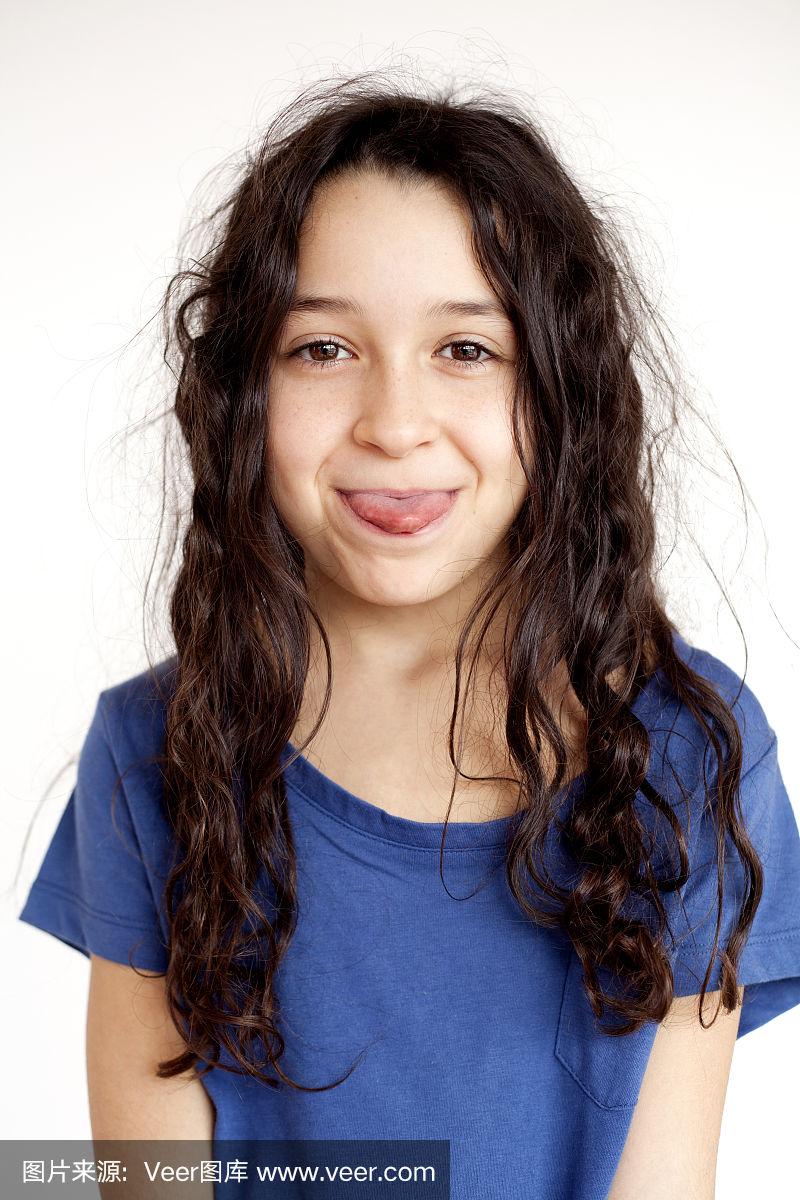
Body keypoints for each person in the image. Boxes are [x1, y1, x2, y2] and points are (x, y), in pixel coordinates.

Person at [18, 73, 800, 1200]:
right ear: (242, 391)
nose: (393, 424)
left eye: (467, 350)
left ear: (563, 395)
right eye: (322, 349)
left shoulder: (684, 749)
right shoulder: (154, 749)